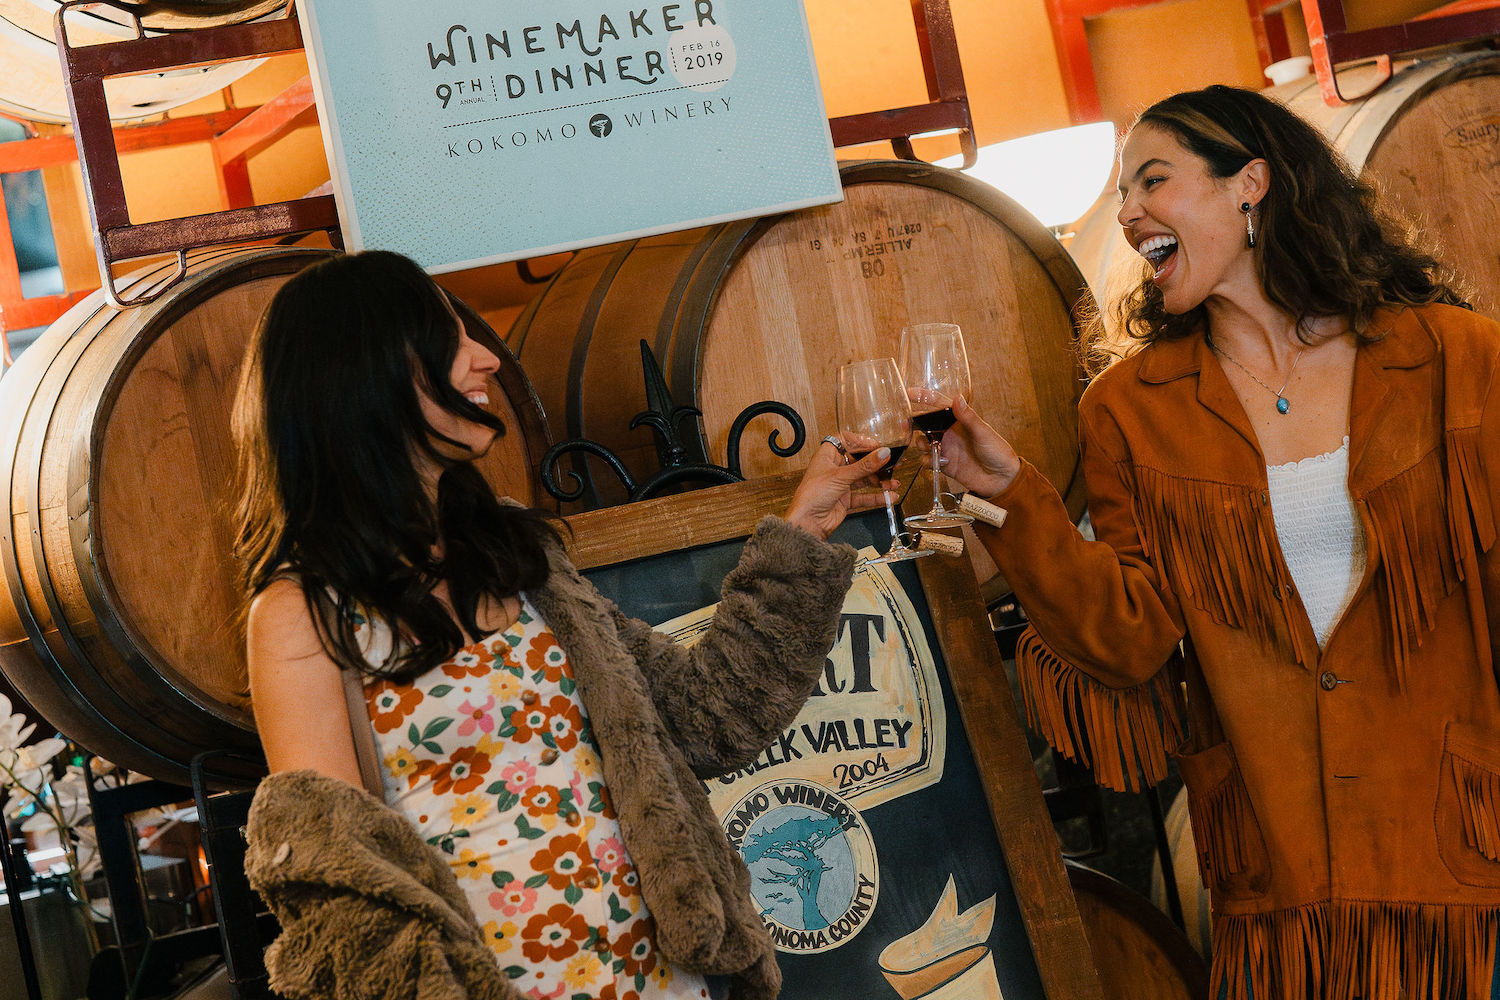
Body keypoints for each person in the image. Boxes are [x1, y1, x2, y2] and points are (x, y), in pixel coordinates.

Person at [927, 85, 1500, 999]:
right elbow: (1132, 639)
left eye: (1153, 180)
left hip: (1464, 861)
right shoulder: (1127, 412)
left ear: (1252, 184)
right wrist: (1015, 498)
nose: (1127, 214)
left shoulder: (1454, 357)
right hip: (1280, 885)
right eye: (1121, 196)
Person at [231, 249, 893, 1000]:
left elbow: (710, 718)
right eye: (452, 342)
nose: (485, 361)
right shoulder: (302, 614)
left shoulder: (516, 552)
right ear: (368, 374)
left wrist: (804, 532)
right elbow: (348, 894)